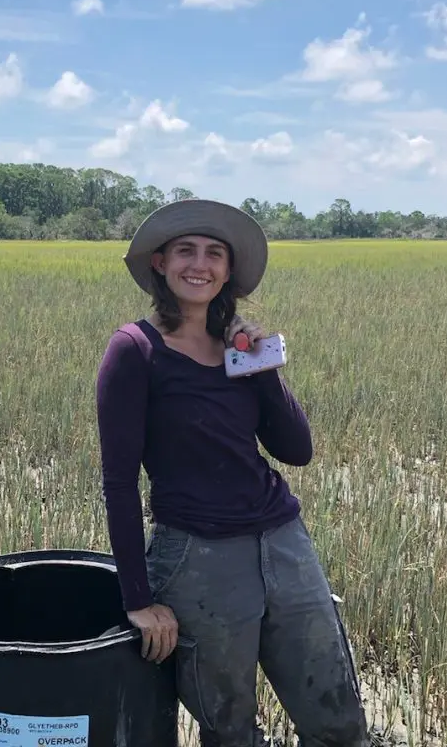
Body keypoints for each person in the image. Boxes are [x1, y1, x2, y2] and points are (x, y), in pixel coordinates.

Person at [95, 198, 368, 747]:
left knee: (337, 714)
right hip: (198, 555)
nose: (200, 264)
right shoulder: (134, 350)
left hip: (283, 541)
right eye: (186, 251)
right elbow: (120, 483)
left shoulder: (240, 349)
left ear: (228, 270)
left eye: (214, 254)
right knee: (230, 726)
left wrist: (261, 363)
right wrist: (138, 601)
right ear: (160, 264)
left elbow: (296, 450)